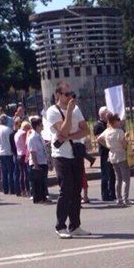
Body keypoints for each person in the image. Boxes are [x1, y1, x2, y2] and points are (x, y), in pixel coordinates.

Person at [46, 84, 91, 238]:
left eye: (72, 93)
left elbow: (86, 130)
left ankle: (75, 225)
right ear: (58, 94)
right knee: (66, 190)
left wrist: (70, 137)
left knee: (77, 190)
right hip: (61, 155)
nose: (70, 97)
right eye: (67, 94)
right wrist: (69, 113)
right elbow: (62, 131)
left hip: (75, 153)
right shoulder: (52, 111)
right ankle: (60, 226)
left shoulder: (76, 108)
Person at [96, 112, 132, 206]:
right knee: (125, 178)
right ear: (114, 122)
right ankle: (125, 198)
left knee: (118, 178)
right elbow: (124, 144)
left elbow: (99, 139)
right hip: (121, 155)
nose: (120, 122)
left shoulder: (107, 131)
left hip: (112, 155)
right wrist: (126, 141)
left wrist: (108, 146)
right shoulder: (119, 131)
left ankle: (119, 198)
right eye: (118, 120)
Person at [93, 107, 117, 202]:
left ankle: (113, 193)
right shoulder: (98, 125)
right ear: (102, 115)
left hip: (112, 152)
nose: (109, 115)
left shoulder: (109, 124)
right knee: (105, 174)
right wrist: (108, 146)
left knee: (113, 173)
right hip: (104, 152)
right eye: (107, 113)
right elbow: (99, 139)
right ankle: (105, 194)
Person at [27, 116, 51, 203]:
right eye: (41, 125)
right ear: (37, 126)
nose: (42, 126)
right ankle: (38, 198)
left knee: (43, 181)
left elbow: (43, 147)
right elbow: (33, 152)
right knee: (37, 182)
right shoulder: (32, 137)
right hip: (37, 163)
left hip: (42, 161)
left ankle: (44, 197)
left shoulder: (39, 136)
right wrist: (36, 165)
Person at [0, 116, 17, 195]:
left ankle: (5, 189)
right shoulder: (9, 130)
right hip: (8, 152)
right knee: (10, 171)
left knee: (4, 172)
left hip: (0, 152)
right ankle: (12, 189)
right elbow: (11, 142)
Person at [14, 121, 31, 197]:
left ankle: (22, 190)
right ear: (25, 127)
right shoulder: (24, 133)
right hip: (24, 154)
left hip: (19, 154)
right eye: (28, 128)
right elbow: (26, 143)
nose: (29, 129)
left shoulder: (17, 133)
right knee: (26, 173)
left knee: (21, 173)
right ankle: (27, 190)